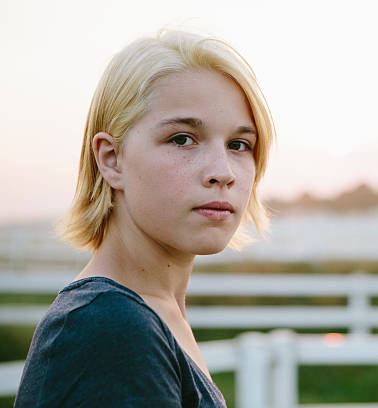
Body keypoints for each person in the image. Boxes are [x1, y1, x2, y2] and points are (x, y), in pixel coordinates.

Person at [14, 28, 275, 407]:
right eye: (183, 138)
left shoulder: (149, 312)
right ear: (111, 159)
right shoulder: (107, 328)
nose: (223, 171)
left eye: (239, 144)